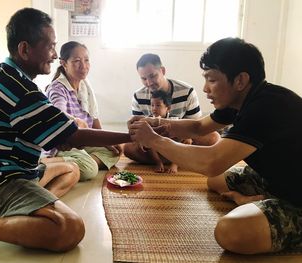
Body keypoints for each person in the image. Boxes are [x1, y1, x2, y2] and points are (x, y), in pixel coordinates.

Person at [0, 8, 131, 252]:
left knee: (73, 168)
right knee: (69, 228)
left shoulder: (7, 74)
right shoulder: (20, 88)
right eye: (51, 47)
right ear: (25, 49)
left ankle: (33, 211)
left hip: (15, 170)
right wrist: (132, 135)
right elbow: (72, 137)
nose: (55, 54)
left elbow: (66, 130)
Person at [128, 37, 302, 255]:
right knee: (216, 182)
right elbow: (199, 126)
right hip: (277, 179)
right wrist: (156, 123)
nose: (205, 88)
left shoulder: (266, 107)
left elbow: (211, 162)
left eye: (211, 80)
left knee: (230, 232)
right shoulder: (243, 99)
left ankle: (268, 203)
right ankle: (260, 198)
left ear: (240, 80)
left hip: (296, 197)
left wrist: (155, 140)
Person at [41, 41, 122, 181]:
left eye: (86, 60)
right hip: (63, 146)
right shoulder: (57, 88)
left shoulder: (85, 86)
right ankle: (47, 162)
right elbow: (58, 116)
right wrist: (77, 122)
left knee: (115, 150)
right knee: (90, 170)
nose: (83, 66)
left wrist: (106, 142)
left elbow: (95, 121)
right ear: (64, 63)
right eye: (77, 61)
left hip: (82, 143)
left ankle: (78, 163)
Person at [124, 53, 220, 163]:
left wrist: (181, 137)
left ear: (163, 71)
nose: (149, 82)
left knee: (213, 138)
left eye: (152, 76)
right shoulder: (138, 96)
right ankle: (178, 158)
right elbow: (139, 132)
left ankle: (166, 158)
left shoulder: (187, 91)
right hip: (154, 142)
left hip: (183, 139)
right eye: (144, 78)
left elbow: (197, 126)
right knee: (127, 148)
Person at [148, 89, 191, 173]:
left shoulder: (174, 119)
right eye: (152, 105)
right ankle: (158, 162)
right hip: (157, 147)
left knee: (187, 140)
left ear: (168, 108)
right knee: (145, 140)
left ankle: (175, 163)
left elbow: (185, 132)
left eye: (158, 105)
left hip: (172, 146)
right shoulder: (149, 119)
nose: (154, 108)